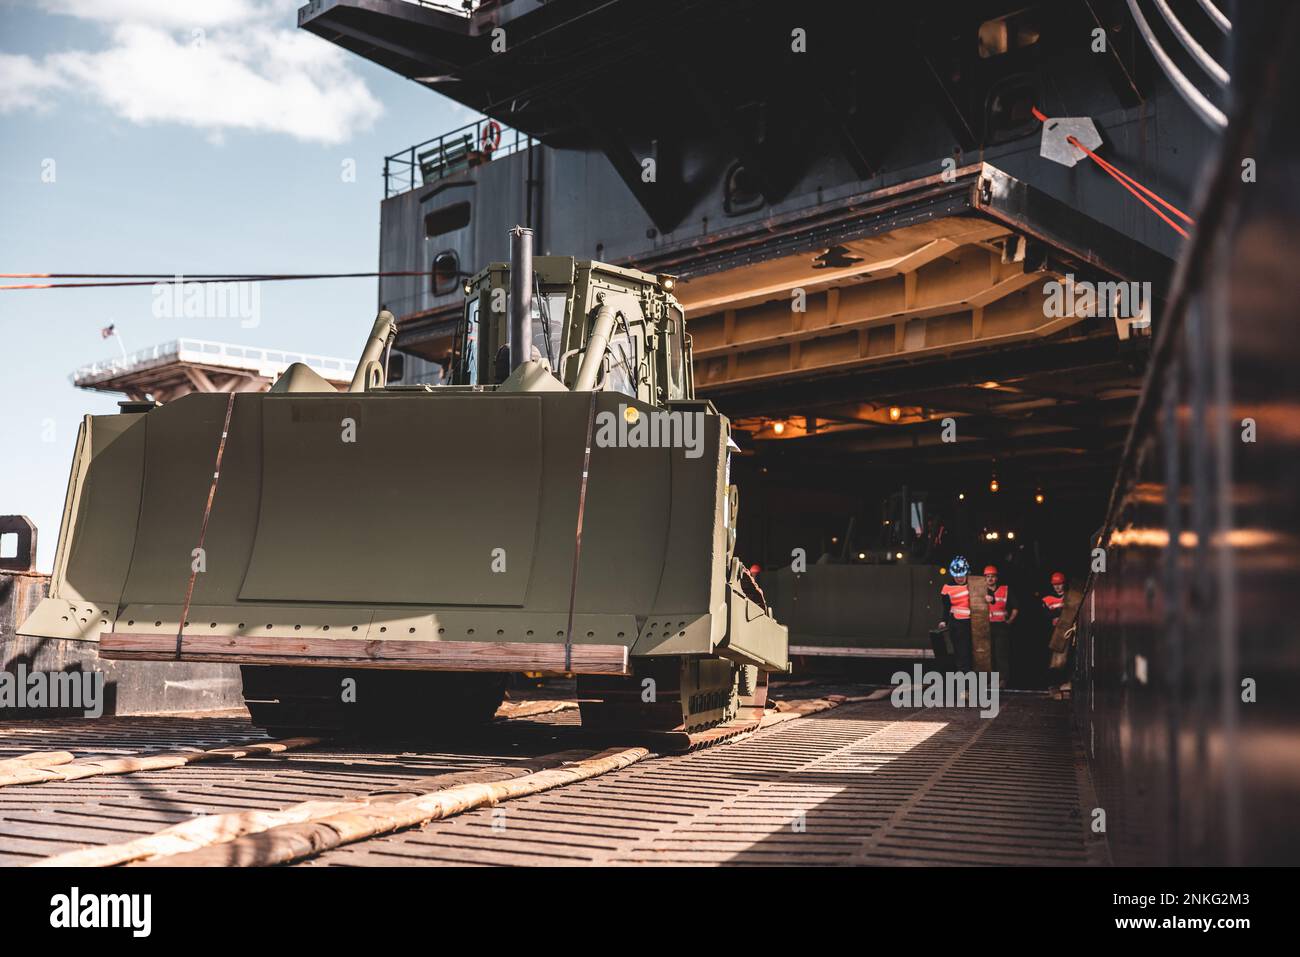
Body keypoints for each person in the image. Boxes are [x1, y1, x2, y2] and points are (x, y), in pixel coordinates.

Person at [984, 565, 1019, 687]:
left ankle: (1002, 680)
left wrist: (1009, 621)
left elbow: (1015, 608)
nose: (990, 579)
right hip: (986, 626)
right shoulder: (980, 591)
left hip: (1001, 626)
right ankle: (991, 680)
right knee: (988, 654)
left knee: (1001, 654)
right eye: (987, 577)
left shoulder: (1005, 590)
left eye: (992, 576)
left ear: (996, 578)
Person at [938, 556, 973, 671]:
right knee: (961, 652)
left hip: (974, 623)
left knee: (972, 652)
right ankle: (964, 679)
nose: (959, 578)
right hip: (957, 625)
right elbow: (946, 607)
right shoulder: (947, 588)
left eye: (962, 575)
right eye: (956, 576)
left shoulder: (974, 584)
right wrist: (944, 621)